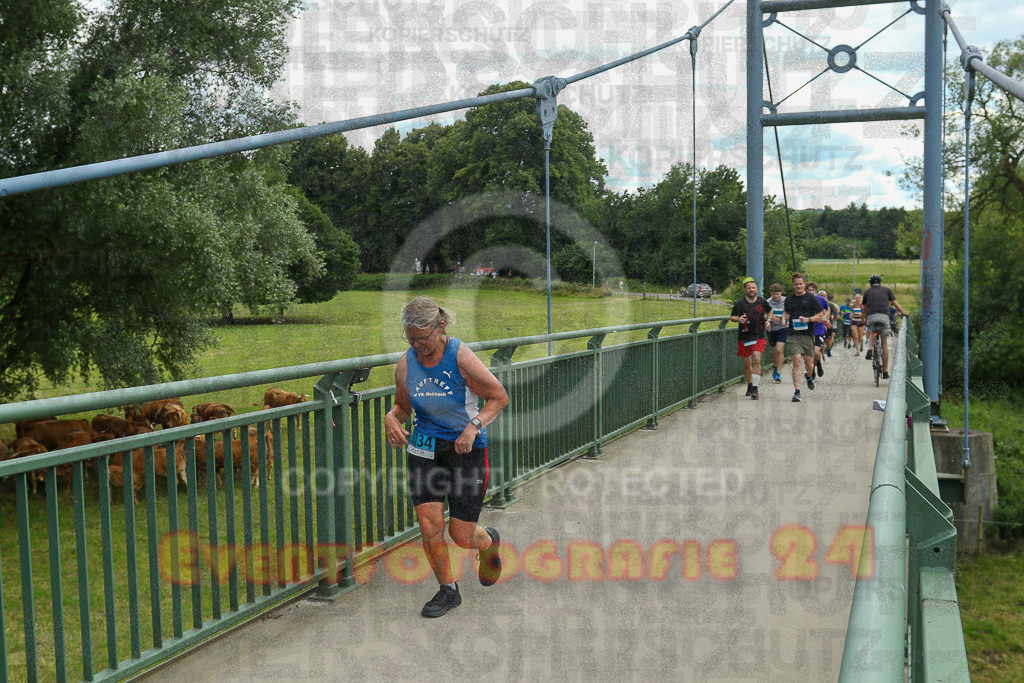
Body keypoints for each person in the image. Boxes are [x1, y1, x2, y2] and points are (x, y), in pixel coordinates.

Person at [384, 296, 510, 617]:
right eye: (410, 338)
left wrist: (473, 427)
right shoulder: (405, 364)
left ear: (440, 327)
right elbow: (402, 407)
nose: (417, 346)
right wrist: (391, 418)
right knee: (429, 528)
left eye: (422, 338)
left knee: (461, 534)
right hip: (424, 449)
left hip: (465, 451)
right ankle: (448, 590)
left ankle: (487, 542)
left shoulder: (460, 357)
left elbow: (498, 397)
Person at [783, 272, 827, 403]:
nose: (798, 286)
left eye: (800, 284)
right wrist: (783, 319)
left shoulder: (811, 299)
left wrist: (808, 319)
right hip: (793, 334)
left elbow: (820, 315)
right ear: (793, 285)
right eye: (796, 284)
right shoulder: (789, 299)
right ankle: (797, 391)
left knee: (809, 363)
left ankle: (808, 376)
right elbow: (786, 312)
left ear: (804, 284)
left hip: (808, 334)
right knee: (796, 360)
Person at [730, 277, 771, 400]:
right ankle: (749, 383)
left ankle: (755, 388)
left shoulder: (762, 302)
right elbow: (732, 317)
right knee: (747, 363)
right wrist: (738, 319)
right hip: (744, 336)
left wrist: (768, 321)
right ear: (745, 290)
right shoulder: (740, 303)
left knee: (757, 359)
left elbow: (770, 311)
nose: (751, 289)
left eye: (753, 287)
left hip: (758, 335)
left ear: (757, 289)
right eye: (749, 288)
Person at [862, 274, 906, 379]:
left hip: (871, 316)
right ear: (880, 282)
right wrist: (903, 313)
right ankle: (885, 371)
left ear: (870, 283)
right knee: (884, 344)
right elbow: (896, 305)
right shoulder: (887, 290)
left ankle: (870, 349)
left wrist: (863, 319)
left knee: (873, 331)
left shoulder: (867, 292)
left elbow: (864, 308)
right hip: (884, 316)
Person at [766, 283, 787, 383]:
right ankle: (775, 366)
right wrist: (769, 317)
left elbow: (790, 313)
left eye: (777, 294)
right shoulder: (768, 302)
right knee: (774, 351)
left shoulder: (786, 301)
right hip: (772, 329)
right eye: (774, 294)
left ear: (781, 293)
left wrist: (783, 318)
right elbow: (762, 315)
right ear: (771, 294)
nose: (776, 296)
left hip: (783, 328)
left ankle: (778, 373)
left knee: (779, 350)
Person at [806, 282, 828, 378]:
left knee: (816, 352)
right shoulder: (803, 300)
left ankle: (818, 363)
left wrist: (824, 317)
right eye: (809, 290)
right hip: (806, 329)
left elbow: (827, 309)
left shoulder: (821, 299)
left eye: (813, 290)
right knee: (808, 354)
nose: (811, 292)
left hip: (819, 329)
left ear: (815, 291)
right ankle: (812, 370)